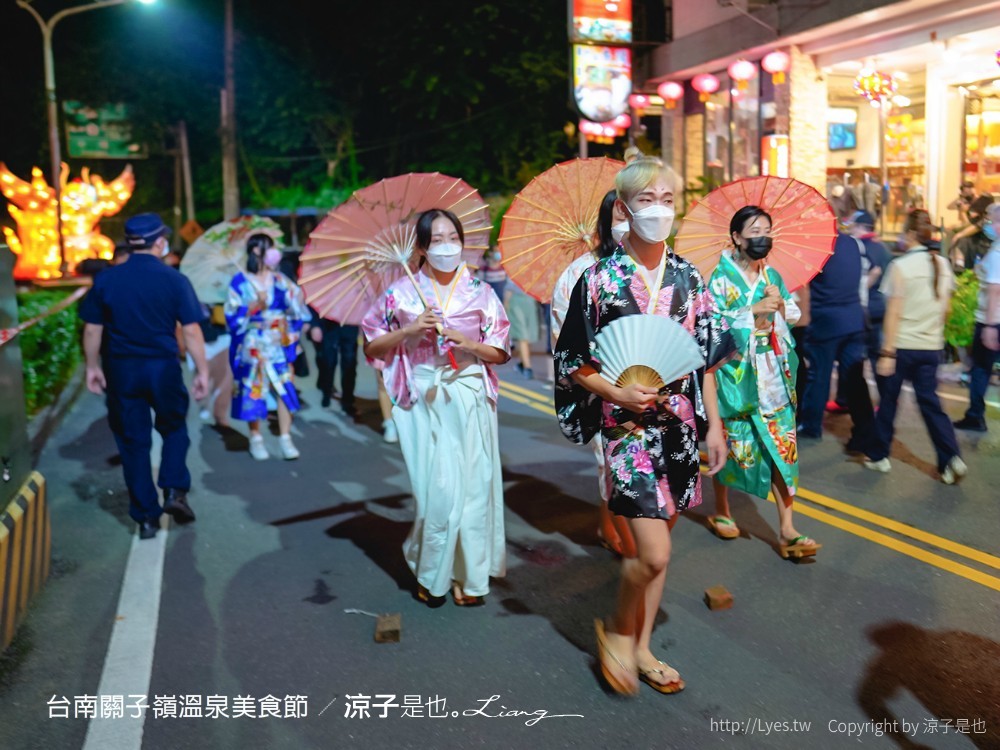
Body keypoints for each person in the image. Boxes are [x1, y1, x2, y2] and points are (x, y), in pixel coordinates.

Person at [554, 155, 731, 696]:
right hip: (626, 429)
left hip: (678, 426)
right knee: (652, 553)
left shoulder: (689, 276)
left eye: (668, 200)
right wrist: (616, 391)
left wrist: (715, 426)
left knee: (660, 553)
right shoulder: (599, 279)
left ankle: (642, 644)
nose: (659, 210)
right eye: (647, 201)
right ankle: (618, 632)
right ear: (625, 209)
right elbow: (572, 362)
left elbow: (702, 360)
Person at [362, 208, 510, 607]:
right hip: (423, 398)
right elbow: (372, 346)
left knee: (476, 489)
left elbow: (500, 351)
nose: (448, 247)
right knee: (437, 493)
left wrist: (468, 344)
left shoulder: (481, 291)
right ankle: (432, 571)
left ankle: (470, 577)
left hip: (469, 393)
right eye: (437, 240)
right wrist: (409, 329)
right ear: (423, 247)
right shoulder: (400, 293)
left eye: (453, 238)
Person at [79, 212, 209, 540]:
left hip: (122, 371)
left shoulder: (107, 280)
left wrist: (92, 367)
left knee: (133, 443)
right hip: (163, 368)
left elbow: (93, 329)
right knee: (174, 427)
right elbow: (191, 332)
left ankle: (146, 518)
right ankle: (174, 490)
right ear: (160, 242)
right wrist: (202, 371)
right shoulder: (174, 279)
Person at [706, 206, 819, 558]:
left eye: (767, 230)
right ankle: (722, 510)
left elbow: (794, 316)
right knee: (734, 442)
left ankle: (787, 529)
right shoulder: (720, 280)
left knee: (782, 446)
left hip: (772, 372)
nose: (762, 237)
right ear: (736, 237)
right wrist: (753, 311)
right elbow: (711, 325)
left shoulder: (773, 275)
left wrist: (780, 306)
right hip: (736, 374)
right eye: (754, 231)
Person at [551, 189, 635, 559]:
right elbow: (563, 335)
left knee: (639, 462)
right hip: (602, 384)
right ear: (605, 222)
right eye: (619, 217)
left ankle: (614, 525)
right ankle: (623, 534)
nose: (628, 224)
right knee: (613, 461)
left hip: (648, 382)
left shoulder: (657, 271)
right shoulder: (579, 272)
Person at [863, 209, 966, 484]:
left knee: (888, 402)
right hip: (931, 347)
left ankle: (879, 456)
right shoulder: (943, 265)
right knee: (931, 404)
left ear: (909, 234)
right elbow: (945, 309)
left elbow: (893, 312)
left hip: (902, 346)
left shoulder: (901, 266)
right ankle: (950, 457)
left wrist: (887, 351)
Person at [225, 233, 311, 461]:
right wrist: (252, 307)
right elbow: (231, 315)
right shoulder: (239, 281)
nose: (274, 251)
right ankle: (256, 438)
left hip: (278, 343)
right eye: (269, 247)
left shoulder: (280, 280)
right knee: (254, 390)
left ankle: (285, 437)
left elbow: (297, 308)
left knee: (285, 388)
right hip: (252, 345)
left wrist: (292, 320)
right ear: (256, 250)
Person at [798, 225, 875, 451]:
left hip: (826, 322)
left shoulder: (815, 247)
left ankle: (811, 426)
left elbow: (804, 283)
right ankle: (865, 427)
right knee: (854, 377)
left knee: (819, 375)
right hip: (854, 318)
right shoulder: (853, 243)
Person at [954, 202, 1000, 432]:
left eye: (993, 221)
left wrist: (990, 325)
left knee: (980, 369)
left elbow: (994, 290)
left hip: (992, 319)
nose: (990, 226)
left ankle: (975, 416)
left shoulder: (997, 252)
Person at [312, 315, 360, 418]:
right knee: (328, 363)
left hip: (350, 324)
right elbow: (315, 301)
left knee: (349, 364)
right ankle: (326, 394)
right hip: (329, 324)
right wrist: (315, 325)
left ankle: (348, 401)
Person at [504, 280, 540, 379]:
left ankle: (521, 363)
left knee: (530, 337)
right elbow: (509, 289)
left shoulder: (536, 272)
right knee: (523, 336)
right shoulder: (517, 269)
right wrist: (506, 307)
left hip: (531, 302)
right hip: (516, 301)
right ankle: (528, 368)